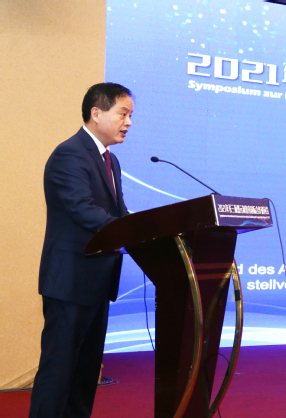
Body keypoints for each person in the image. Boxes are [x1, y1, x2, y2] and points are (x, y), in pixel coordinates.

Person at [29, 83, 132, 418]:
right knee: (58, 371)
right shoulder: (70, 154)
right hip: (70, 282)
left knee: (86, 373)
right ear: (96, 113)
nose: (129, 122)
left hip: (98, 281)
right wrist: (130, 232)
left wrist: (151, 232)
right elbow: (82, 210)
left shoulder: (111, 161)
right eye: (123, 114)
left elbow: (118, 213)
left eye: (130, 115)